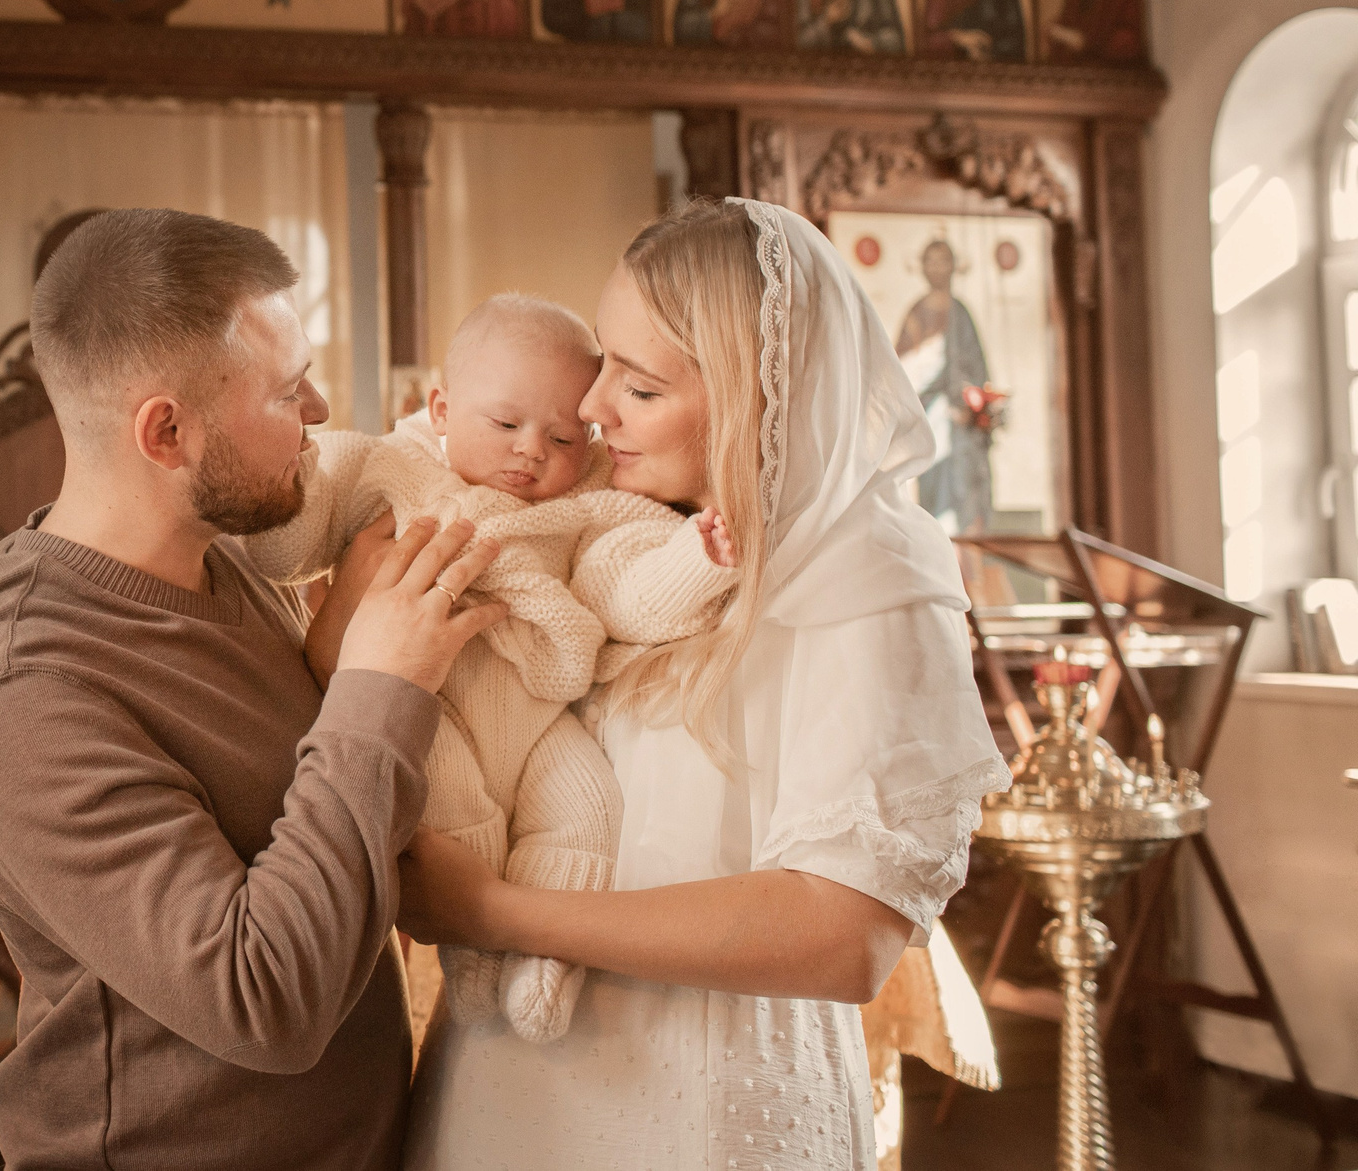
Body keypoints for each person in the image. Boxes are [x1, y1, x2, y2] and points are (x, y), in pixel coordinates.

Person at [376, 198, 1006, 1168]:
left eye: (636, 386)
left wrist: (494, 914)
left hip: (704, 1109)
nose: (588, 412)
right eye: (602, 375)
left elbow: (845, 935)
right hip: (503, 1092)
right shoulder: (620, 528)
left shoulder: (870, 573)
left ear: (759, 393)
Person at [0, 207, 508, 1171]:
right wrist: (377, 683)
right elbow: (262, 998)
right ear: (166, 432)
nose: (321, 409)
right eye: (287, 390)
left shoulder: (218, 560)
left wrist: (331, 660)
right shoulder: (22, 689)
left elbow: (285, 799)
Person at [242, 294, 738, 1041]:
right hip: (429, 705)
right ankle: (475, 961)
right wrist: (293, 497)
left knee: (589, 810)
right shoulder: (391, 468)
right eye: (505, 424)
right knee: (450, 806)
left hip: (540, 710)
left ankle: (548, 954)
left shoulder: (589, 499)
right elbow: (293, 535)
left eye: (563, 434)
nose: (532, 450)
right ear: (441, 408)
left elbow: (621, 587)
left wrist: (695, 560)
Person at [894, 238, 996, 534]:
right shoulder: (917, 312)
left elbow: (977, 366)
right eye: (932, 260)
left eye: (944, 260)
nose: (938, 267)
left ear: (954, 266)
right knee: (935, 493)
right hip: (931, 416)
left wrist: (969, 401)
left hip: (960, 422)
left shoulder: (961, 312)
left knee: (966, 492)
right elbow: (903, 368)